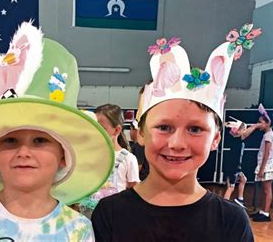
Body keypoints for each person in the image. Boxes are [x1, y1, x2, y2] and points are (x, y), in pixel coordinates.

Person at [0, 22, 114, 241]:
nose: (23, 152)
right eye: (10, 140)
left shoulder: (77, 228)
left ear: (63, 156)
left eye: (40, 140)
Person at [92, 24, 261, 241]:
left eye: (195, 129)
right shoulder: (110, 213)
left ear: (216, 138)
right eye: (164, 127)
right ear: (141, 133)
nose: (177, 143)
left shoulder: (231, 220)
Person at [78, 104, 140, 217]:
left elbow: (135, 190)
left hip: (115, 215)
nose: (97, 132)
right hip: (87, 215)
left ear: (116, 130)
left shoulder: (127, 158)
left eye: (102, 129)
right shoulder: (88, 156)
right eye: (94, 127)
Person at [249, 104, 273, 222]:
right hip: (265, 165)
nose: (259, 124)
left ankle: (266, 213)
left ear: (267, 123)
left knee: (267, 190)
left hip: (266, 166)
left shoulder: (268, 135)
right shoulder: (268, 134)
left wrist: (262, 169)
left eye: (261, 122)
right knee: (265, 190)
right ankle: (262, 211)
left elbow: (267, 154)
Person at [222, 117, 256, 207]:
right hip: (232, 167)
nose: (245, 130)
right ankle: (224, 207)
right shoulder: (237, 139)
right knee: (230, 188)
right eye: (243, 129)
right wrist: (256, 125)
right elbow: (246, 132)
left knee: (243, 179)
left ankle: (240, 199)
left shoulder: (236, 139)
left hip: (236, 167)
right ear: (237, 131)